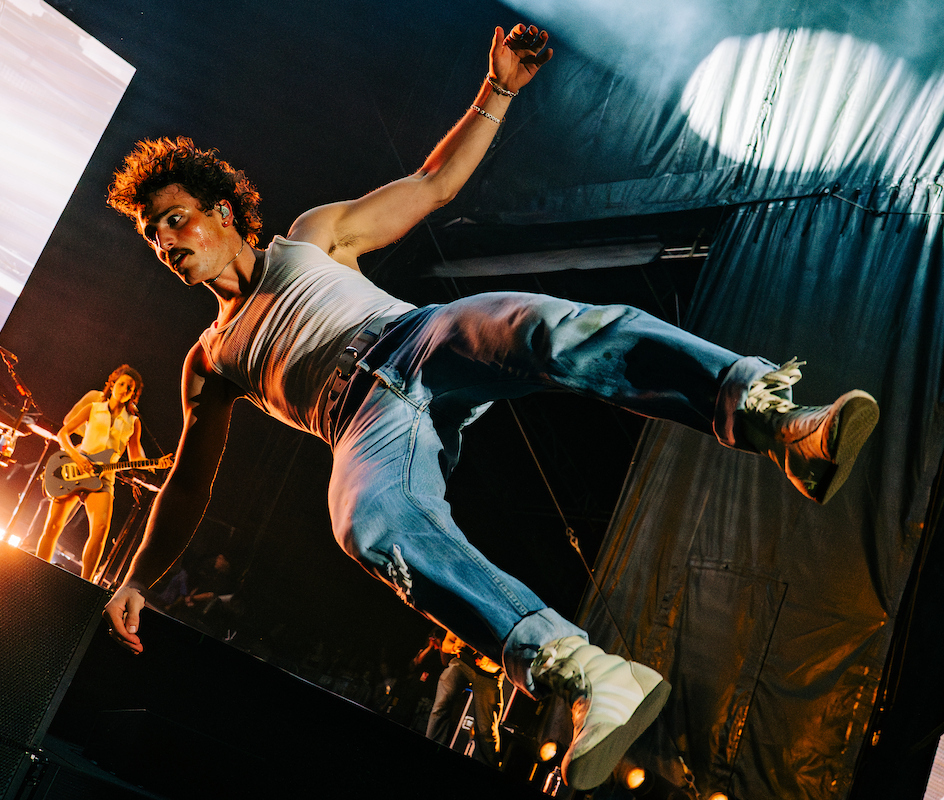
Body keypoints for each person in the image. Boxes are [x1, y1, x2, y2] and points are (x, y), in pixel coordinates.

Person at [101, 23, 879, 791]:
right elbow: (189, 483)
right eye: (151, 235)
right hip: (364, 426)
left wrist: (497, 90)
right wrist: (140, 576)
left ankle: (777, 421)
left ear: (223, 211)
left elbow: (432, 184)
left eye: (174, 218)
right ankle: (583, 674)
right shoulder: (211, 361)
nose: (165, 241)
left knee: (545, 329)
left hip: (415, 340)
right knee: (362, 523)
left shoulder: (310, 239)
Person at [36, 364, 146, 581]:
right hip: (77, 467)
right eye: (122, 384)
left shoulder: (133, 422)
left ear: (133, 394)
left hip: (104, 477)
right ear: (113, 384)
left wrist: (154, 464)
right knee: (54, 524)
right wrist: (77, 456)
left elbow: (136, 457)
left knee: (101, 529)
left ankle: (84, 583)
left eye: (130, 388)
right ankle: (35, 571)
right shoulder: (94, 408)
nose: (125, 389)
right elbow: (63, 433)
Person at [425, 631, 504, 767]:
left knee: (486, 729)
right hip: (462, 663)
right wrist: (455, 647)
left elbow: (511, 656)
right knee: (441, 705)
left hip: (489, 674)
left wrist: (493, 663)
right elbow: (446, 644)